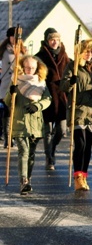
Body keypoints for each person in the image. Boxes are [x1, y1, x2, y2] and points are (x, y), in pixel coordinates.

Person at [60, 39, 92, 191]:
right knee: (80, 143)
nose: (89, 54)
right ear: (80, 53)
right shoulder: (73, 66)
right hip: (78, 108)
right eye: (86, 51)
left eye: (91, 51)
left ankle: (84, 175)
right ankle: (77, 176)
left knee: (88, 145)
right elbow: (63, 86)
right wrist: (71, 82)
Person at [5, 55, 51, 194]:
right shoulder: (16, 81)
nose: (30, 70)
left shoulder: (41, 83)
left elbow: (48, 99)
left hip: (35, 122)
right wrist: (11, 93)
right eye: (27, 67)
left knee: (31, 153)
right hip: (20, 121)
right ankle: (23, 180)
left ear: (37, 68)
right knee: (23, 151)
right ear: (23, 67)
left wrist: (38, 106)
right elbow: (8, 102)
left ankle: (28, 179)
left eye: (32, 68)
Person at [35, 27, 70, 170]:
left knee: (61, 130)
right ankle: (49, 158)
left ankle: (52, 149)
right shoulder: (39, 57)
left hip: (61, 97)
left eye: (57, 39)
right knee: (47, 131)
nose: (55, 42)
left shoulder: (65, 56)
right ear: (47, 41)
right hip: (47, 96)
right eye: (52, 39)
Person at [0, 27, 26, 149]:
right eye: (12, 37)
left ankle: (14, 137)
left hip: (19, 86)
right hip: (5, 86)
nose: (14, 39)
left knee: (16, 113)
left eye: (16, 37)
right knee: (7, 114)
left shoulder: (23, 52)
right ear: (9, 37)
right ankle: (8, 139)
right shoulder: (3, 51)